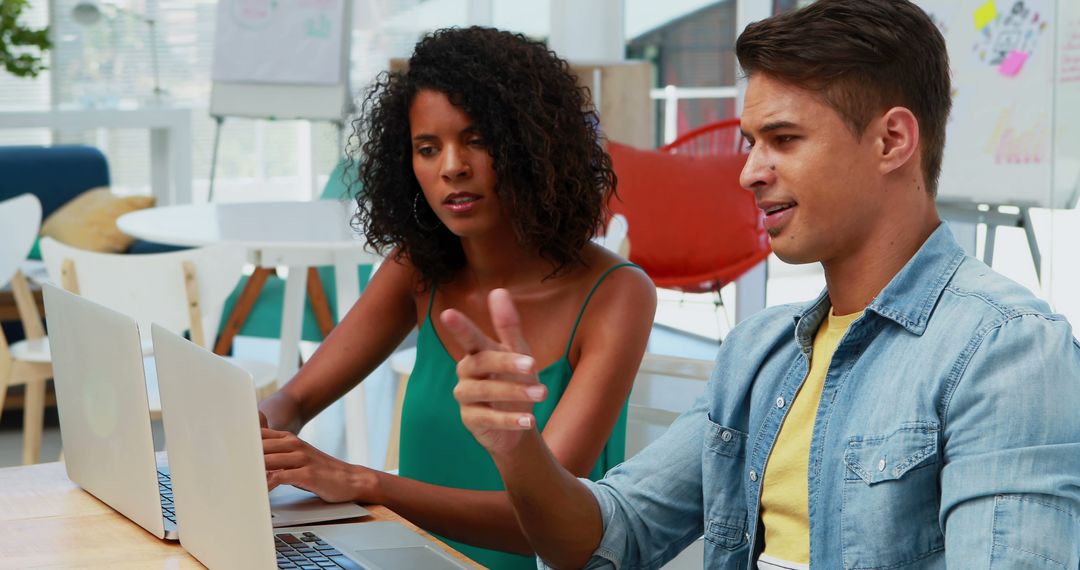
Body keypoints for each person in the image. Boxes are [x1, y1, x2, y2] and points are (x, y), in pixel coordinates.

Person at [446, 1, 1080, 567]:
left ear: (892, 141)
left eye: (783, 139)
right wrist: (519, 453)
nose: (749, 172)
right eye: (750, 143)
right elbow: (604, 539)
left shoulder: (1006, 351)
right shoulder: (758, 354)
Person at [256, 27, 656, 569]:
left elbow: (539, 524)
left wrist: (363, 482)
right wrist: (257, 427)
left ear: (533, 146)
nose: (452, 166)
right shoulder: (416, 268)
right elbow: (294, 403)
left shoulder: (617, 295)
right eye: (428, 148)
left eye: (478, 140)